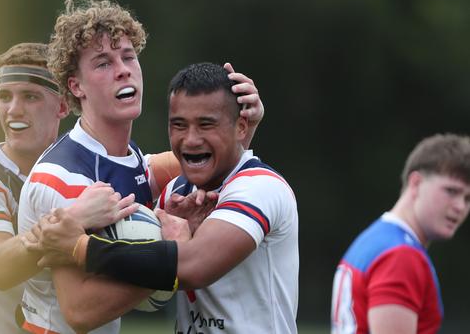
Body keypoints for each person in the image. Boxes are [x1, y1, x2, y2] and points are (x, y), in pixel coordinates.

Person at [16, 0, 265, 334]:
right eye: (103, 63)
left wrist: (242, 128)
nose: (123, 71)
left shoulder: (128, 158)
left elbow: (205, 161)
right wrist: (173, 256)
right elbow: (80, 312)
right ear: (76, 86)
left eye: (128, 57)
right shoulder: (64, 178)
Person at [28, 62, 298, 334]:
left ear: (241, 127)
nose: (190, 139)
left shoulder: (260, 187)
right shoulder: (177, 193)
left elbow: (192, 266)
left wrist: (80, 247)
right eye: (179, 125)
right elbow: (150, 274)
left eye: (206, 125)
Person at [0, 42, 139, 334]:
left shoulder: (85, 166)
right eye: (4, 97)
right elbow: (0, 267)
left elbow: (163, 164)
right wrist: (71, 220)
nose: (13, 109)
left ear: (63, 105)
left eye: (30, 97)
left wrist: (232, 123)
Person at [331, 134, 470, 334]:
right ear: (416, 183)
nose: (460, 206)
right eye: (451, 191)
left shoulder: (376, 237)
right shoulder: (402, 255)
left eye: (467, 198)